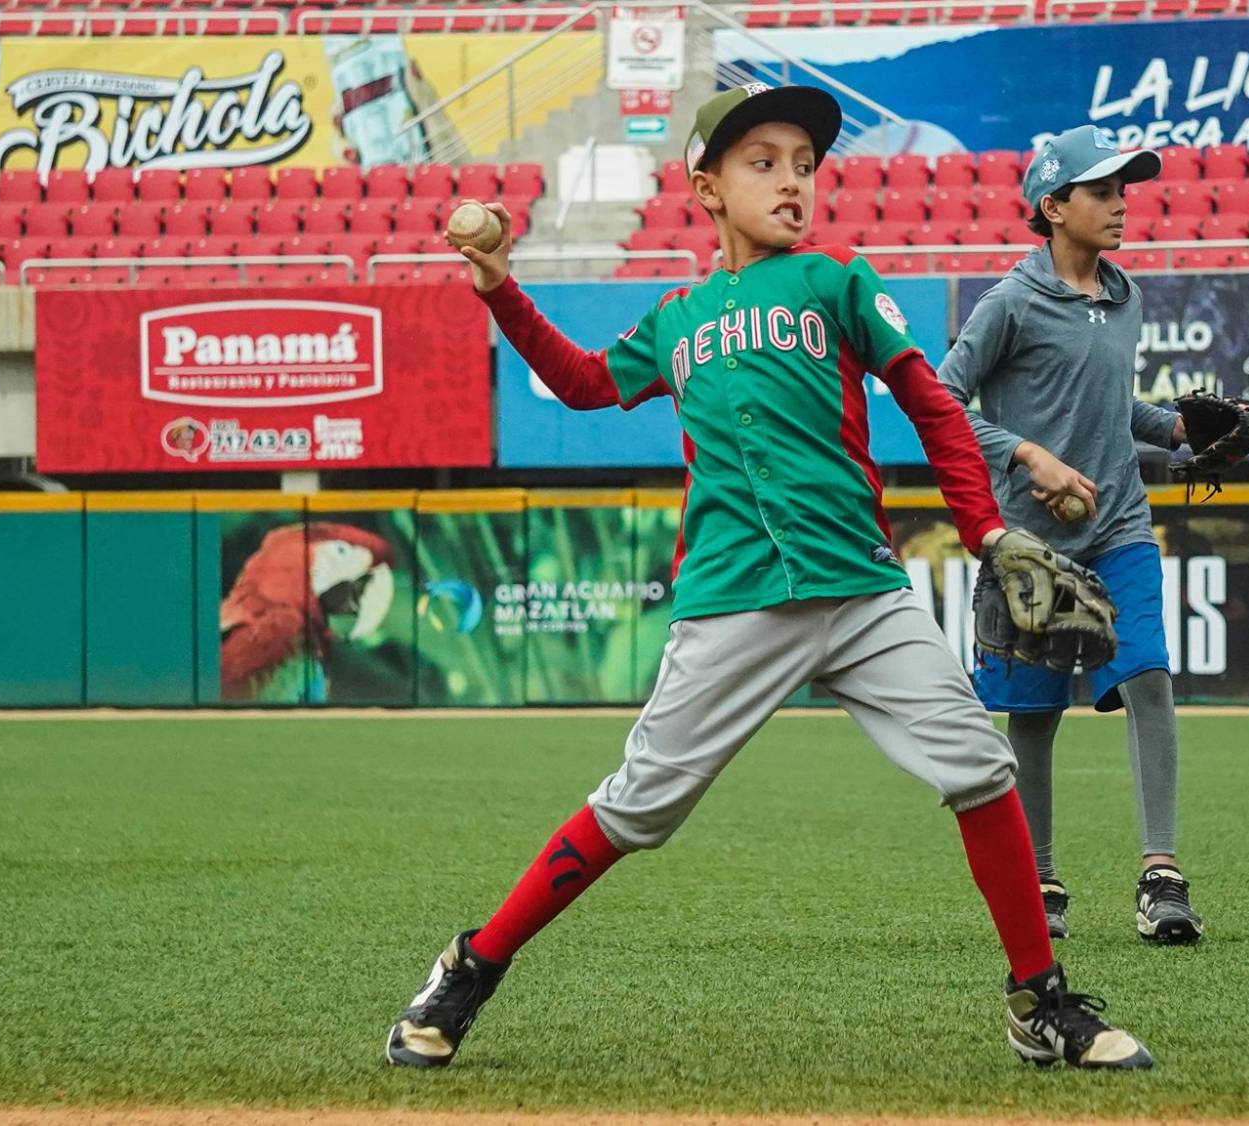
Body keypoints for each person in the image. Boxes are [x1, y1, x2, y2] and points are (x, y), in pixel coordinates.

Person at [383, 84, 1152, 1071]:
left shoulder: (836, 281)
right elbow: (580, 383)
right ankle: (473, 963)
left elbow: (931, 404)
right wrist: (498, 284)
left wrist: (986, 531)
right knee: (636, 806)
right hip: (732, 599)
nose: (792, 181)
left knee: (978, 767)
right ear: (706, 188)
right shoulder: (678, 318)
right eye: (763, 163)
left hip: (861, 590)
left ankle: (1038, 999)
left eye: (804, 164)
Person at [937, 124, 1201, 944]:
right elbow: (941, 401)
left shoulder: (1125, 296)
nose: (1121, 204)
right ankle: (1041, 879)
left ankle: (1161, 875)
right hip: (1030, 544)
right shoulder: (1010, 302)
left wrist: (1176, 430)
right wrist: (1026, 455)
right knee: (1033, 714)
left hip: (1120, 524)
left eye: (1124, 190)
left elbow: (1111, 407)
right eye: (1102, 191)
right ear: (1053, 206)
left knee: (1149, 676)